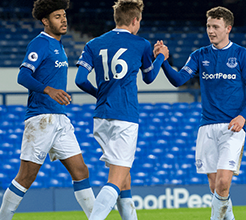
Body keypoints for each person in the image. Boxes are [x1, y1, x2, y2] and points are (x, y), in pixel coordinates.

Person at [154, 6, 246, 220]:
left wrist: (243, 116)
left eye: (215, 27)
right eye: (208, 26)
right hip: (207, 127)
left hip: (233, 127)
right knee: (215, 189)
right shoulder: (199, 55)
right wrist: (164, 61)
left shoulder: (241, 54)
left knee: (223, 183)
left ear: (228, 28)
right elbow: (178, 80)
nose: (210, 31)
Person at [0, 0, 95, 219]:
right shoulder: (40, 43)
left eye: (64, 15)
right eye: (57, 16)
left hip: (60, 119)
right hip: (41, 119)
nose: (63, 20)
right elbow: (22, 76)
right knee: (25, 177)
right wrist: (48, 90)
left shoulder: (59, 44)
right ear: (45, 21)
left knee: (81, 172)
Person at [75, 0, 169, 219]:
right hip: (124, 117)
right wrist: (161, 55)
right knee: (116, 179)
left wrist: (100, 94)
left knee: (124, 176)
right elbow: (149, 78)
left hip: (101, 117)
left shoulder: (94, 43)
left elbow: (80, 80)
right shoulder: (141, 44)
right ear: (135, 20)